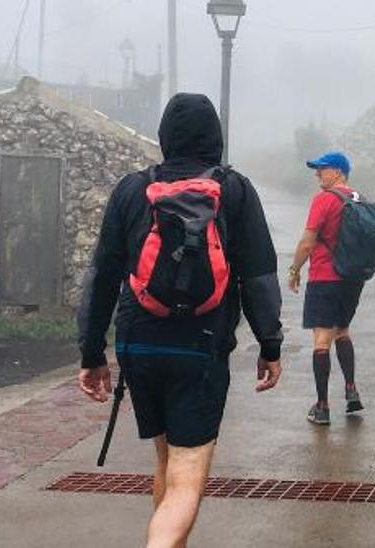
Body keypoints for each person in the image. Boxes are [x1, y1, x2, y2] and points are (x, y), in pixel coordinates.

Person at [77, 93, 284, 548]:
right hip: (200, 345)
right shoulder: (234, 190)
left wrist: (92, 352)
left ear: (164, 136)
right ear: (216, 137)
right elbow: (259, 275)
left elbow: (103, 274)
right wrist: (270, 346)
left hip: (139, 342)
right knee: (187, 476)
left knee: (166, 464)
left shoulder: (133, 189)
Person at [287, 151, 365, 425]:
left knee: (321, 341)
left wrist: (294, 269)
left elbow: (308, 242)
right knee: (342, 331)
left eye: (323, 168)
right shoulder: (359, 199)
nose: (317, 173)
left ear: (340, 172)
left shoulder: (324, 200)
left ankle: (322, 407)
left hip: (325, 276)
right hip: (352, 280)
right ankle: (351, 390)